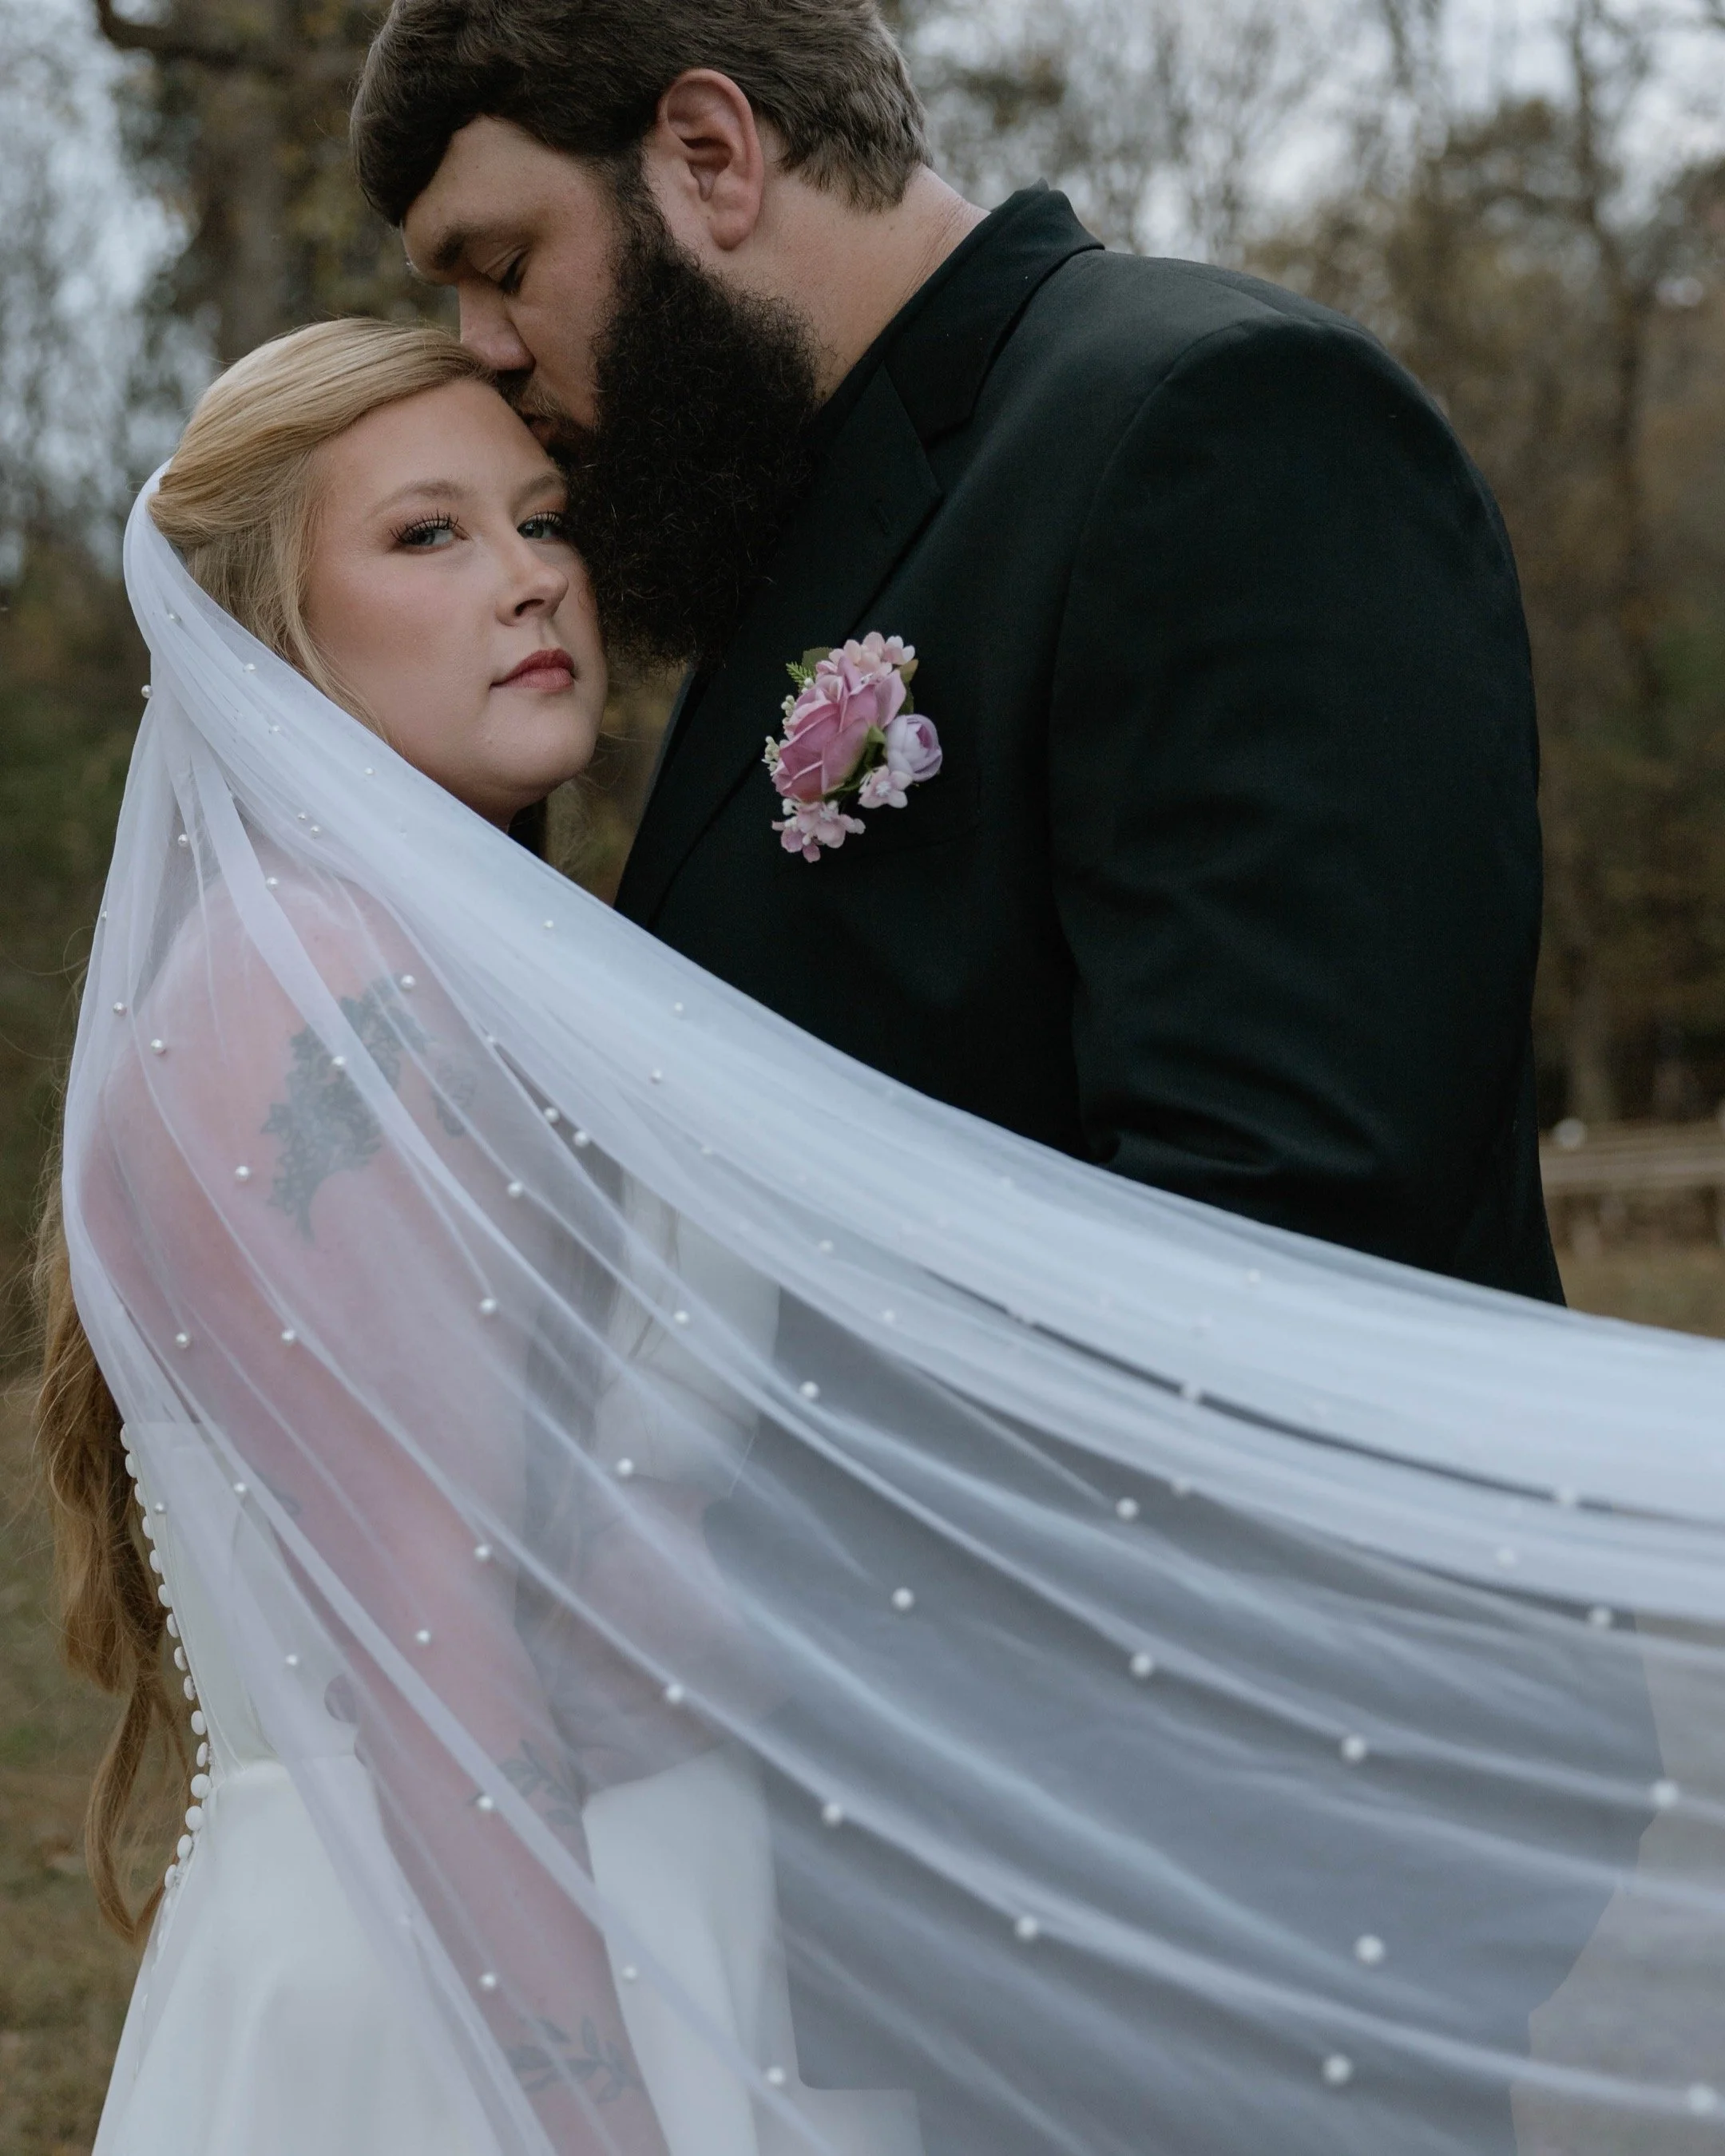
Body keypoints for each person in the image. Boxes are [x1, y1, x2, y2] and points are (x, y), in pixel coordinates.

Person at [35, 315, 1717, 2156]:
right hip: (467, 2003)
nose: (530, 577)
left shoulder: (415, 976)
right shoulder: (315, 1000)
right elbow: (438, 1648)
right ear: (265, 629)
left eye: (542, 518)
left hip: (634, 1925)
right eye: (427, 535)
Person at [351, 0, 1561, 1305]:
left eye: (506, 264)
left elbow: (1289, 1218)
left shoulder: (1223, 424)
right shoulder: (782, 525)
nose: (481, 347)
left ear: (710, 155)